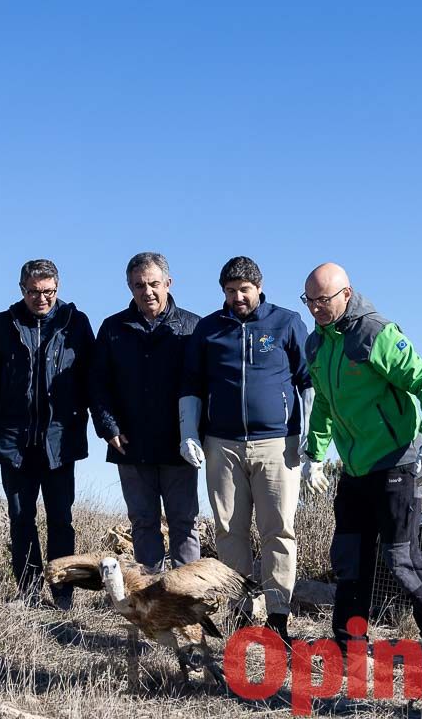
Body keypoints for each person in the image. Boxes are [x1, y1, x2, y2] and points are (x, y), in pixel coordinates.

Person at [298, 262, 422, 654]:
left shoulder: (375, 334)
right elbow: (324, 407)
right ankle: (349, 649)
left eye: (323, 300)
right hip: (354, 468)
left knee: (401, 559)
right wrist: (315, 453)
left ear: (346, 294)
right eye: (309, 301)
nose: (315, 308)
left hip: (395, 462)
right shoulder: (317, 343)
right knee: (350, 560)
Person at [180, 256, 312, 643]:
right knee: (228, 531)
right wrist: (189, 432)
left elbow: (307, 379)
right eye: (230, 291)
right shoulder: (208, 329)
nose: (237, 297)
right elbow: (191, 386)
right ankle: (239, 613)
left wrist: (309, 434)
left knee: (279, 531)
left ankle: (278, 616)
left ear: (259, 287)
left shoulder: (286, 322)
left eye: (244, 290)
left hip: (277, 443)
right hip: (222, 444)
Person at [0, 259, 94, 609]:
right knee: (21, 518)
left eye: (48, 292)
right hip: (15, 440)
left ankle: (62, 594)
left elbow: (90, 376)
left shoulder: (76, 323)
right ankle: (28, 593)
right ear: (21, 289)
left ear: (57, 289)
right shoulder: (3, 324)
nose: (41, 298)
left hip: (60, 441)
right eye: (34, 292)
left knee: (61, 518)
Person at [91, 252, 202, 572]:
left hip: (179, 444)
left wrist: (196, 433)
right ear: (129, 286)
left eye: (154, 284)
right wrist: (108, 427)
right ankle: (152, 599)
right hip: (130, 443)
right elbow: (98, 384)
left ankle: (187, 599)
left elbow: (204, 385)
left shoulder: (193, 327)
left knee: (184, 522)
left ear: (169, 283)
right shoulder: (113, 329)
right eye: (139, 285)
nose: (147, 291)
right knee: (142, 522)